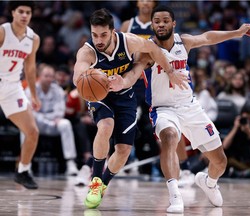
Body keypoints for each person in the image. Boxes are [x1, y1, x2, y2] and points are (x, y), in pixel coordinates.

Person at [109, 5, 250, 213]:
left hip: (190, 107)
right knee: (169, 138)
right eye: (157, 21)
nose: (161, 25)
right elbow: (134, 74)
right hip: (163, 109)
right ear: (152, 24)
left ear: (173, 23)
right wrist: (121, 83)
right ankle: (175, 196)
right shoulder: (147, 50)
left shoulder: (183, 41)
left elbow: (208, 37)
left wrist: (237, 32)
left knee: (220, 162)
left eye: (165, 21)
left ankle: (209, 183)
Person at [73, 8, 186, 209]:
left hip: (125, 95)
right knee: (106, 126)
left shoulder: (129, 41)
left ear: (113, 32)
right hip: (101, 96)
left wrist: (169, 71)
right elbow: (78, 76)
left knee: (124, 150)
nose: (98, 39)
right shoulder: (87, 51)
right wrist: (91, 78)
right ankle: (96, 178)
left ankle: (104, 183)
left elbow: (153, 50)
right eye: (94, 34)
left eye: (103, 34)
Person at [0, 1, 41, 189]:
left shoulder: (33, 38)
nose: (25, 15)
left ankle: (23, 171)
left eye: (28, 12)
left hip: (13, 87)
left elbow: (30, 68)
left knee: (32, 132)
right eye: (21, 11)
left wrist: (33, 95)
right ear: (13, 13)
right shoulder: (2, 31)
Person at [120, 0, 159, 176]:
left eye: (149, 0)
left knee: (154, 125)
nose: (145, 3)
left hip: (154, 80)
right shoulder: (128, 25)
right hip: (132, 80)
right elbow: (118, 53)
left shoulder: (159, 24)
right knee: (127, 121)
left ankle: (152, 166)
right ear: (137, 3)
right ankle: (121, 160)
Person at [25, 64, 79, 176]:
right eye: (46, 76)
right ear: (39, 76)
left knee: (66, 124)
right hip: (37, 124)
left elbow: (60, 111)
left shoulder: (58, 90)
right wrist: (47, 118)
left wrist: (50, 118)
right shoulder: (31, 90)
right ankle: (26, 164)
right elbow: (30, 112)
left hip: (53, 124)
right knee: (26, 126)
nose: (49, 78)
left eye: (51, 76)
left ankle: (70, 163)